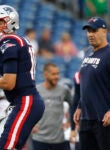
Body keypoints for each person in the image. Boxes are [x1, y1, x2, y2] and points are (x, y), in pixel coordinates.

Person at [0, 5, 45, 150]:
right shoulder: (18, 40)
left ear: (10, 22)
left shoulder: (9, 42)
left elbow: (9, 84)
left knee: (6, 146)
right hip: (24, 102)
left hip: (25, 101)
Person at [73, 17, 110, 150]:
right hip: (86, 118)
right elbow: (87, 84)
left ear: (104, 31)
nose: (90, 34)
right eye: (88, 31)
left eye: (94, 30)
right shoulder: (88, 54)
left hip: (104, 120)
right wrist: (80, 106)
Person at [32, 63, 71, 150]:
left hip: (60, 139)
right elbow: (27, 109)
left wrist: (70, 122)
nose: (57, 76)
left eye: (57, 73)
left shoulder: (64, 90)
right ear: (45, 75)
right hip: (39, 138)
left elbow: (74, 106)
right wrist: (30, 124)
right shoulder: (35, 91)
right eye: (53, 74)